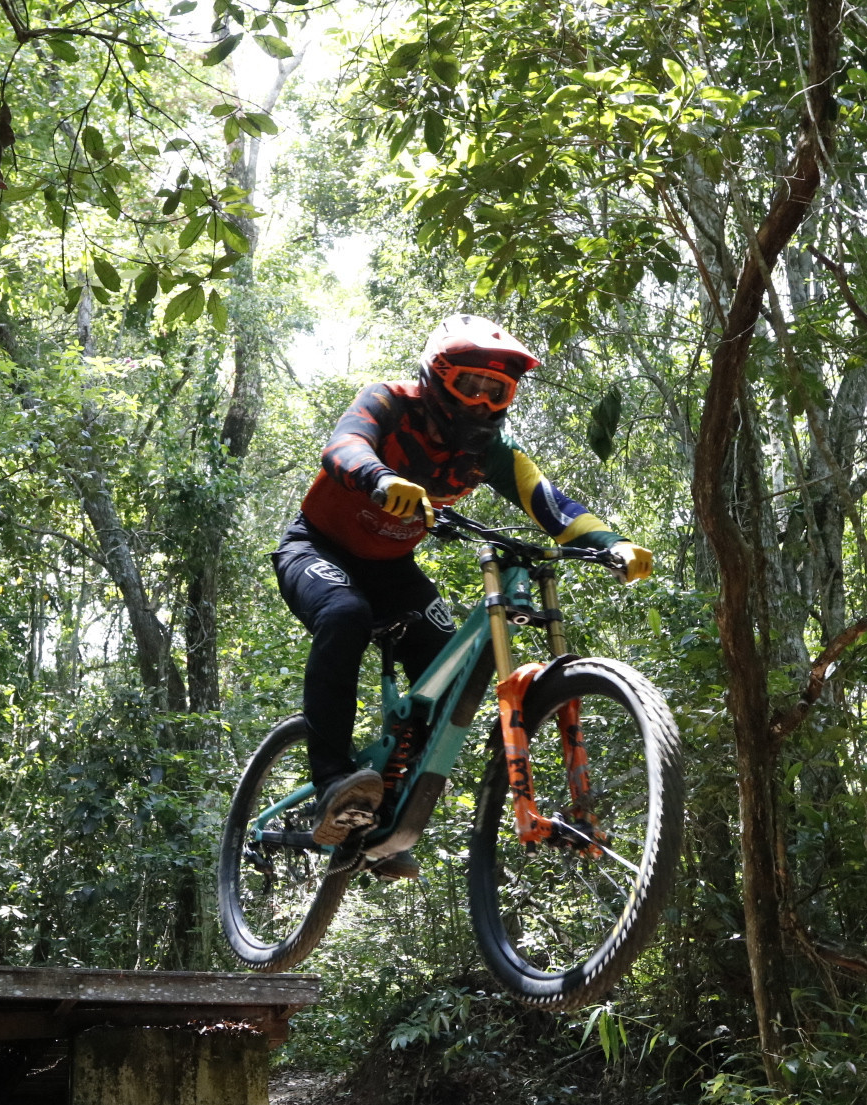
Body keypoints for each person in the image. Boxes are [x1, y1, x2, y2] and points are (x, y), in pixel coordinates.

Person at [272, 314, 653, 872]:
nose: (480, 402)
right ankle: (332, 781)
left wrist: (612, 543)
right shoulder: (390, 402)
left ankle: (381, 819)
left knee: (448, 665)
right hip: (317, 549)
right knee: (346, 614)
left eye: (496, 390)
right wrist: (381, 479)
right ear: (435, 376)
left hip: (393, 569)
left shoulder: (492, 451)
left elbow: (550, 504)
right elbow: (344, 445)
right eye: (469, 384)